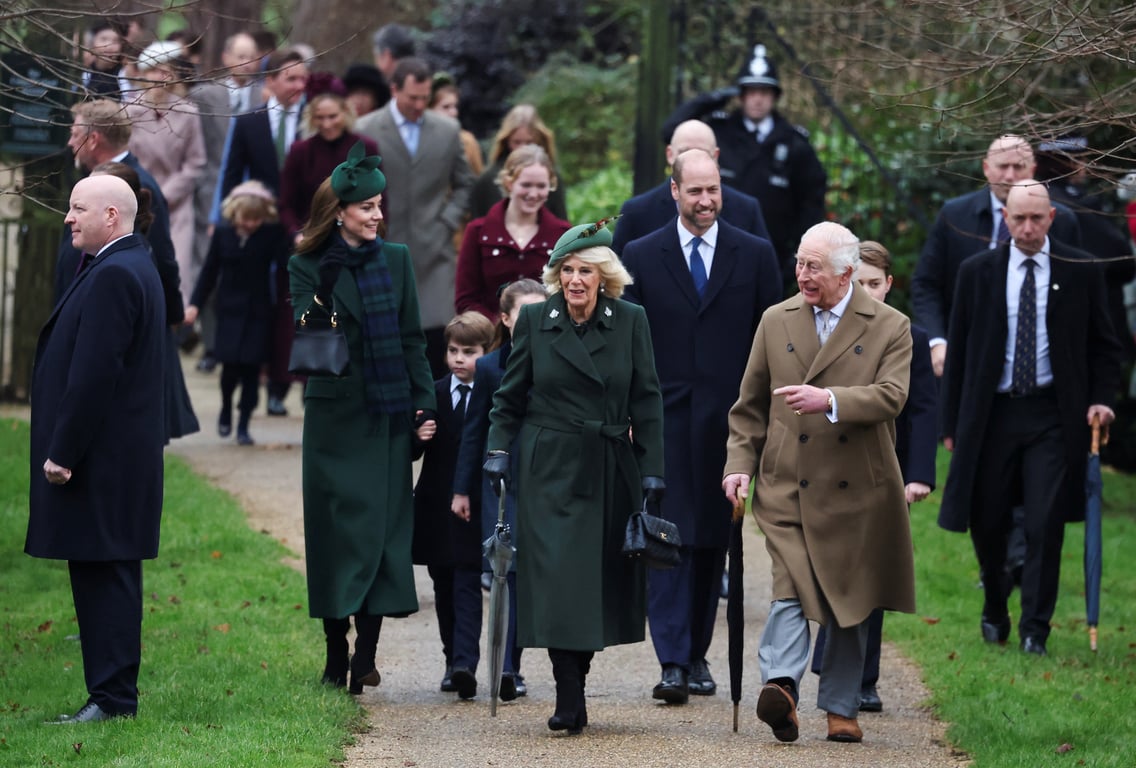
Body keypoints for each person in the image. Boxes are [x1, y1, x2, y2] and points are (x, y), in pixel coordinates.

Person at [722, 221, 915, 744]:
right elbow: (750, 407)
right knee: (790, 584)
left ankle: (840, 706)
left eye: (814, 267)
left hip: (859, 486)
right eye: (800, 263)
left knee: (849, 595)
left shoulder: (890, 325)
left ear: (847, 273)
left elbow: (892, 396)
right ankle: (781, 687)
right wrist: (738, 464)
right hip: (789, 481)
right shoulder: (775, 319)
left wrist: (830, 401)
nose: (802, 275)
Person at [483, 219, 665, 734]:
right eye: (567, 271)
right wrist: (498, 449)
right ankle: (568, 694)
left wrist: (652, 470)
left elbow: (647, 400)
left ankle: (576, 683)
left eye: (585, 271)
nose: (576, 280)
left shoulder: (630, 320)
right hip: (550, 467)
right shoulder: (537, 321)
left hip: (609, 464)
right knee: (560, 580)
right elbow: (509, 396)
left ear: (604, 277)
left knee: (596, 583)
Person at [620, 148, 781, 705]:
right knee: (667, 538)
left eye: (713, 190)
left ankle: (696, 654)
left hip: (728, 424)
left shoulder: (754, 254)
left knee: (713, 541)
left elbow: (772, 341)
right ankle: (670, 660)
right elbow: (628, 346)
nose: (706, 201)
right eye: (695, 191)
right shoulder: (640, 254)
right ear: (674, 192)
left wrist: (762, 422)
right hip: (661, 421)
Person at [939, 181, 1121, 657]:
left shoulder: (1079, 269)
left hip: (1052, 415)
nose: (1026, 228)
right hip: (992, 413)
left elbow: (1105, 343)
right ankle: (996, 606)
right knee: (989, 520)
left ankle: (1035, 630)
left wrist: (1102, 398)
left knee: (1045, 522)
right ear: (1005, 219)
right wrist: (951, 424)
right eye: (1017, 219)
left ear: (1052, 219)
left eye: (1036, 219)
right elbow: (958, 355)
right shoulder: (976, 272)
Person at [288, 142, 437, 694]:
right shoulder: (304, 262)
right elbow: (306, 330)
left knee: (379, 536)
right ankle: (334, 652)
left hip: (386, 415)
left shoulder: (395, 259)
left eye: (380, 206)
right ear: (339, 212)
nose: (378, 215)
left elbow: (410, 339)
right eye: (368, 207)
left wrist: (425, 404)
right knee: (333, 537)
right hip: (332, 421)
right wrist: (327, 280)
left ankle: (365, 656)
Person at [27, 174, 167, 723]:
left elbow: (93, 375)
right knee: (104, 572)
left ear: (111, 216)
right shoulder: (128, 264)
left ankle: (111, 700)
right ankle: (110, 696)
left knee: (104, 574)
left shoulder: (115, 274)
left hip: (101, 461)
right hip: (116, 459)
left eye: (77, 208)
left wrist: (63, 452)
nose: (68, 217)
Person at [810, 240, 937, 712]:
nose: (866, 291)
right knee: (831, 563)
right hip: (829, 466)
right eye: (858, 282)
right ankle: (830, 658)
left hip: (885, 469)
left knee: (872, 571)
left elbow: (923, 409)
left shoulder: (908, 336)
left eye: (874, 283)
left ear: (889, 284)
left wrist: (917, 473)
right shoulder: (822, 331)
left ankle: (864, 675)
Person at [57, 101, 198, 443]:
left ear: (92, 139)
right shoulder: (93, 181)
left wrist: (172, 318)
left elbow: (162, 259)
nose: (68, 142)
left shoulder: (136, 186)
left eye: (74, 133)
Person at [912, 134, 1083, 378]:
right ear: (986, 168)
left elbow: (1077, 294)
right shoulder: (955, 216)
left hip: (1038, 360)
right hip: (967, 354)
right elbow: (926, 284)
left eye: (1018, 167)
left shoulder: (1061, 220)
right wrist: (937, 341)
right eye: (1003, 166)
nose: (1010, 176)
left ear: (1033, 169)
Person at [452, 278, 547, 699]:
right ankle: (505, 668)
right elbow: (475, 431)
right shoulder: (489, 367)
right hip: (502, 483)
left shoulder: (559, 358)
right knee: (504, 572)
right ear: (505, 319)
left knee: (530, 577)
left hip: (548, 477)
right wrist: (461, 489)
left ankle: (516, 662)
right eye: (523, 313)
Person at [662, 43, 826, 282]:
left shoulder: (793, 143)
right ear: (740, 95)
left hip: (772, 257)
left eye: (764, 92)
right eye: (751, 91)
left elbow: (812, 202)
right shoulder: (720, 131)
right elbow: (671, 131)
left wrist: (797, 256)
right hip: (714, 249)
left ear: (775, 96)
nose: (757, 99)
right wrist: (715, 98)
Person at [355, 57, 476, 378]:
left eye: (425, 98)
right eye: (413, 98)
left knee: (436, 339)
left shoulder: (448, 130)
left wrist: (448, 220)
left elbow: (465, 182)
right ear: (394, 90)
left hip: (434, 250)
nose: (420, 105)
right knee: (385, 338)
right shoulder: (366, 129)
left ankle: (433, 418)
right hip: (381, 247)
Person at [218, 47, 310, 417]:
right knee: (266, 307)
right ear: (269, 82)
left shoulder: (313, 121)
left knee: (299, 307)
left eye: (303, 78)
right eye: (291, 78)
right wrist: (232, 220)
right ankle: (270, 384)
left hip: (303, 228)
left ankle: (297, 380)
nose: (299, 86)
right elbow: (231, 175)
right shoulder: (249, 123)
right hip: (262, 227)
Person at [411, 311, 495, 700]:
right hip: (434, 505)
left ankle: (465, 663)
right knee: (442, 585)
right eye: (453, 351)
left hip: (473, 505)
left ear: (488, 351)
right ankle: (451, 659)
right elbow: (410, 448)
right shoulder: (435, 391)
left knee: (466, 583)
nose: (460, 359)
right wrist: (419, 436)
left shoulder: (494, 392)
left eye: (470, 352)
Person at [185, 181, 288, 445]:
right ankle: (226, 408)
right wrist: (195, 303)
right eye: (246, 219)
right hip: (229, 310)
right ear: (235, 213)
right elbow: (209, 271)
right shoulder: (223, 234)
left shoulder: (271, 235)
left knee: (252, 371)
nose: (250, 224)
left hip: (259, 312)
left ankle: (243, 423)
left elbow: (286, 266)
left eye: (256, 219)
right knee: (229, 369)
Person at [126, 39, 207, 307]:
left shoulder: (188, 112)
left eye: (165, 70)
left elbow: (196, 162)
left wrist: (165, 194)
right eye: (153, 70)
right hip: (137, 201)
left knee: (176, 274)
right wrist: (145, 193)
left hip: (176, 207)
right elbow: (125, 158)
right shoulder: (128, 111)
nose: (159, 77)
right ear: (143, 73)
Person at [612, 119, 769, 254]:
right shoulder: (636, 212)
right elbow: (617, 281)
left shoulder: (746, 210)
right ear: (670, 155)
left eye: (702, 152)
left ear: (716, 156)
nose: (692, 159)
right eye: (684, 152)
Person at [455, 145, 570, 321]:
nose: (533, 194)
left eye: (541, 186)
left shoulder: (563, 234)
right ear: (509, 183)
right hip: (491, 338)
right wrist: (500, 327)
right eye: (526, 185)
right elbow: (466, 299)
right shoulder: (477, 233)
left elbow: (569, 294)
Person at [280, 87, 380, 241]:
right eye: (320, 117)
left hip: (357, 239)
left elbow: (380, 198)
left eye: (333, 116)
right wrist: (296, 234)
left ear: (346, 112)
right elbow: (286, 203)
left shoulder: (365, 148)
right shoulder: (301, 151)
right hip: (312, 238)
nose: (326, 124)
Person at [469, 104, 569, 221]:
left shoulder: (550, 177)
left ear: (539, 140)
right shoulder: (488, 181)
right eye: (517, 142)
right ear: (507, 141)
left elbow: (561, 221)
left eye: (529, 142)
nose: (522, 148)